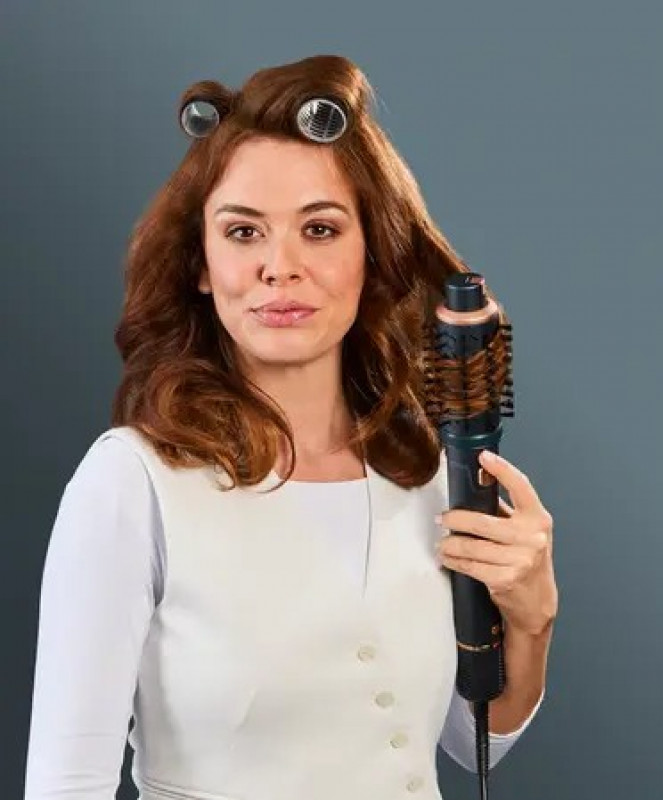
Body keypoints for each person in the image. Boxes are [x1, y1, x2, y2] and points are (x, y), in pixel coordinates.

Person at [23, 54, 558, 800]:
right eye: (244, 232)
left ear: (372, 253)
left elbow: (473, 744)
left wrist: (531, 621)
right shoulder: (134, 483)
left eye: (320, 229)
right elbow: (66, 784)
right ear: (201, 263)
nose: (280, 266)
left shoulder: (425, 474)